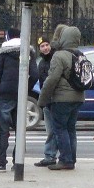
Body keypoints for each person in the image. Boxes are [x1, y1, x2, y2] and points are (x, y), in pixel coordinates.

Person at [0, 27, 38, 171]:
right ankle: (18, 163)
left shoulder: (2, 52)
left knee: (2, 130)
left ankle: (0, 163)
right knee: (20, 130)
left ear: (8, 37)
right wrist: (25, 89)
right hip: (20, 96)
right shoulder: (28, 52)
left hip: (4, 94)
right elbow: (34, 74)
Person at [37, 25, 85, 170]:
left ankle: (65, 160)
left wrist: (42, 100)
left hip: (62, 98)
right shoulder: (80, 54)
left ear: (64, 38)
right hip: (78, 97)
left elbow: (51, 80)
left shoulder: (59, 55)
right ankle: (72, 159)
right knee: (71, 129)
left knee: (60, 129)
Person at [33, 36, 58, 167]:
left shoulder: (55, 59)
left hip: (55, 99)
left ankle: (50, 156)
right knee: (51, 130)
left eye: (47, 44)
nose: (45, 47)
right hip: (48, 101)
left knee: (53, 130)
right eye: (42, 46)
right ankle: (51, 155)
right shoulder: (42, 63)